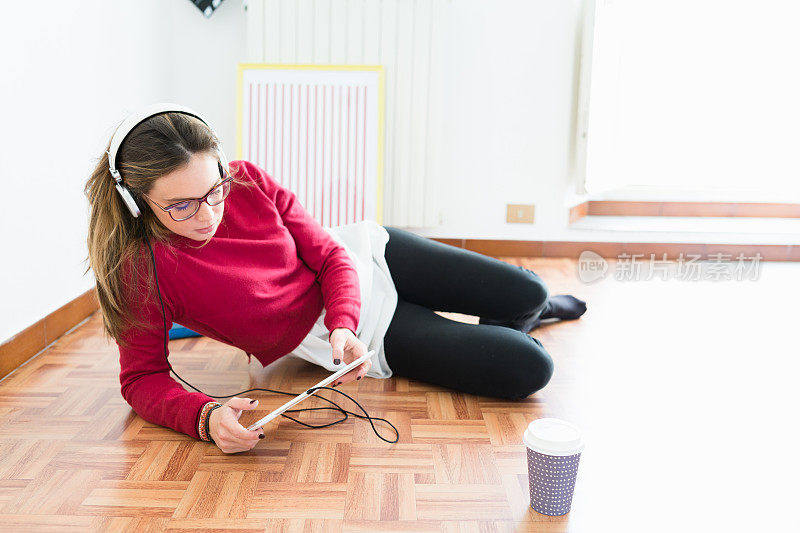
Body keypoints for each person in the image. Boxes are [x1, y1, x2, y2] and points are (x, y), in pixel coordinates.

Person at [84, 110, 587, 454]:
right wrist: (204, 416)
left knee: (532, 290)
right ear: (136, 203)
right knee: (530, 368)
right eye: (180, 206)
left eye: (214, 189)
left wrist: (342, 320)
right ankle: (512, 327)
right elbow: (141, 379)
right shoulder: (141, 274)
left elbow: (329, 256)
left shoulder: (246, 179)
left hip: (368, 261)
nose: (209, 213)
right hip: (355, 336)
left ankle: (524, 314)